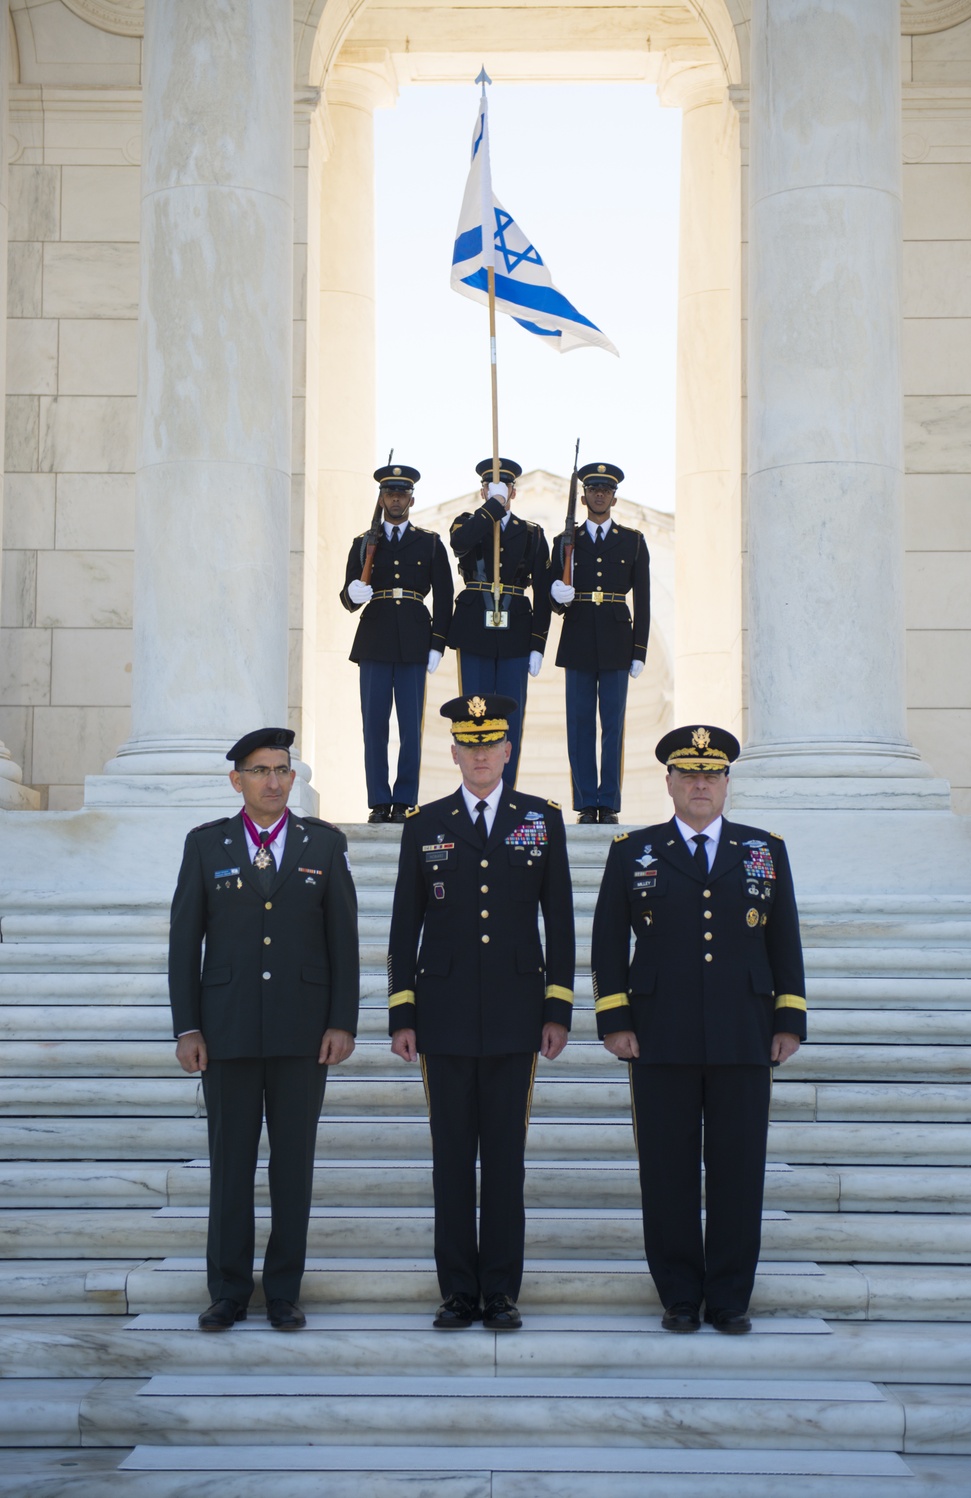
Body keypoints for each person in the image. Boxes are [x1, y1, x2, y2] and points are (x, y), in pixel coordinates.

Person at [591, 724, 806, 1335]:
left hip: (745, 1031)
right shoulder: (633, 850)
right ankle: (681, 1295)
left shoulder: (764, 849)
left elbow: (783, 938)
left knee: (740, 1168)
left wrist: (788, 1017)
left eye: (711, 774)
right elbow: (608, 945)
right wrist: (615, 1018)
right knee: (667, 1169)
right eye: (689, 774)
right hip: (660, 1034)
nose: (701, 784)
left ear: (727, 783)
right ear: (669, 783)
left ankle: (731, 1297)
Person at [387, 694, 575, 1331]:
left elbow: (562, 925)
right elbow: (403, 926)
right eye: (469, 746)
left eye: (490, 744)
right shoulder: (426, 823)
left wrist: (558, 1008)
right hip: (441, 1016)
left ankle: (500, 1291)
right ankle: (457, 1292)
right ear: (454, 753)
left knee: (504, 1160)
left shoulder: (539, 820)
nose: (480, 755)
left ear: (508, 750)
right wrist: (402, 1013)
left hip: (517, 1016)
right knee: (449, 1160)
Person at [168, 727, 360, 1332]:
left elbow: (344, 944)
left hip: (303, 1035)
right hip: (225, 1033)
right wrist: (187, 1027)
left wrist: (342, 1021)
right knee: (230, 1165)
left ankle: (283, 1290)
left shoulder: (323, 845)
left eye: (282, 770)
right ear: (237, 780)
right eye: (260, 770)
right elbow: (183, 943)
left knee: (292, 1166)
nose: (274, 781)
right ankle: (228, 1290)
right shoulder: (207, 845)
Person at [341, 463, 454, 823]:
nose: (395, 499)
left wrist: (438, 642)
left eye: (402, 493)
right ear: (381, 498)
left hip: (414, 640)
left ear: (411, 499)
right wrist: (352, 593)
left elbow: (446, 595)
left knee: (409, 726)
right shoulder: (363, 543)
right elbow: (348, 596)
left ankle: (404, 799)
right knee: (373, 725)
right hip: (374, 639)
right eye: (390, 493)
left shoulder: (429, 542)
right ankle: (378, 800)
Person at [548, 461, 650, 824]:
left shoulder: (633, 541)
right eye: (594, 490)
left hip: (616, 639)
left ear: (614, 498)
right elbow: (553, 596)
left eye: (606, 490)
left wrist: (640, 650)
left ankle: (608, 802)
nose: (600, 495)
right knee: (579, 723)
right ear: (584, 496)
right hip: (577, 636)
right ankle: (585, 802)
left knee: (613, 724)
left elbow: (644, 600)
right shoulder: (565, 541)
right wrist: (556, 594)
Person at [447, 459, 551, 787]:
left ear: (514, 492)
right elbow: (461, 544)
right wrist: (492, 507)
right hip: (475, 628)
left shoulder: (532, 533)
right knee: (474, 714)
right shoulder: (467, 523)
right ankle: (474, 788)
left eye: (504, 488)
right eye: (492, 489)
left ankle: (507, 791)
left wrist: (538, 643)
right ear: (483, 491)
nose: (499, 493)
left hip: (516, 632)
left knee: (510, 719)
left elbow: (544, 591)